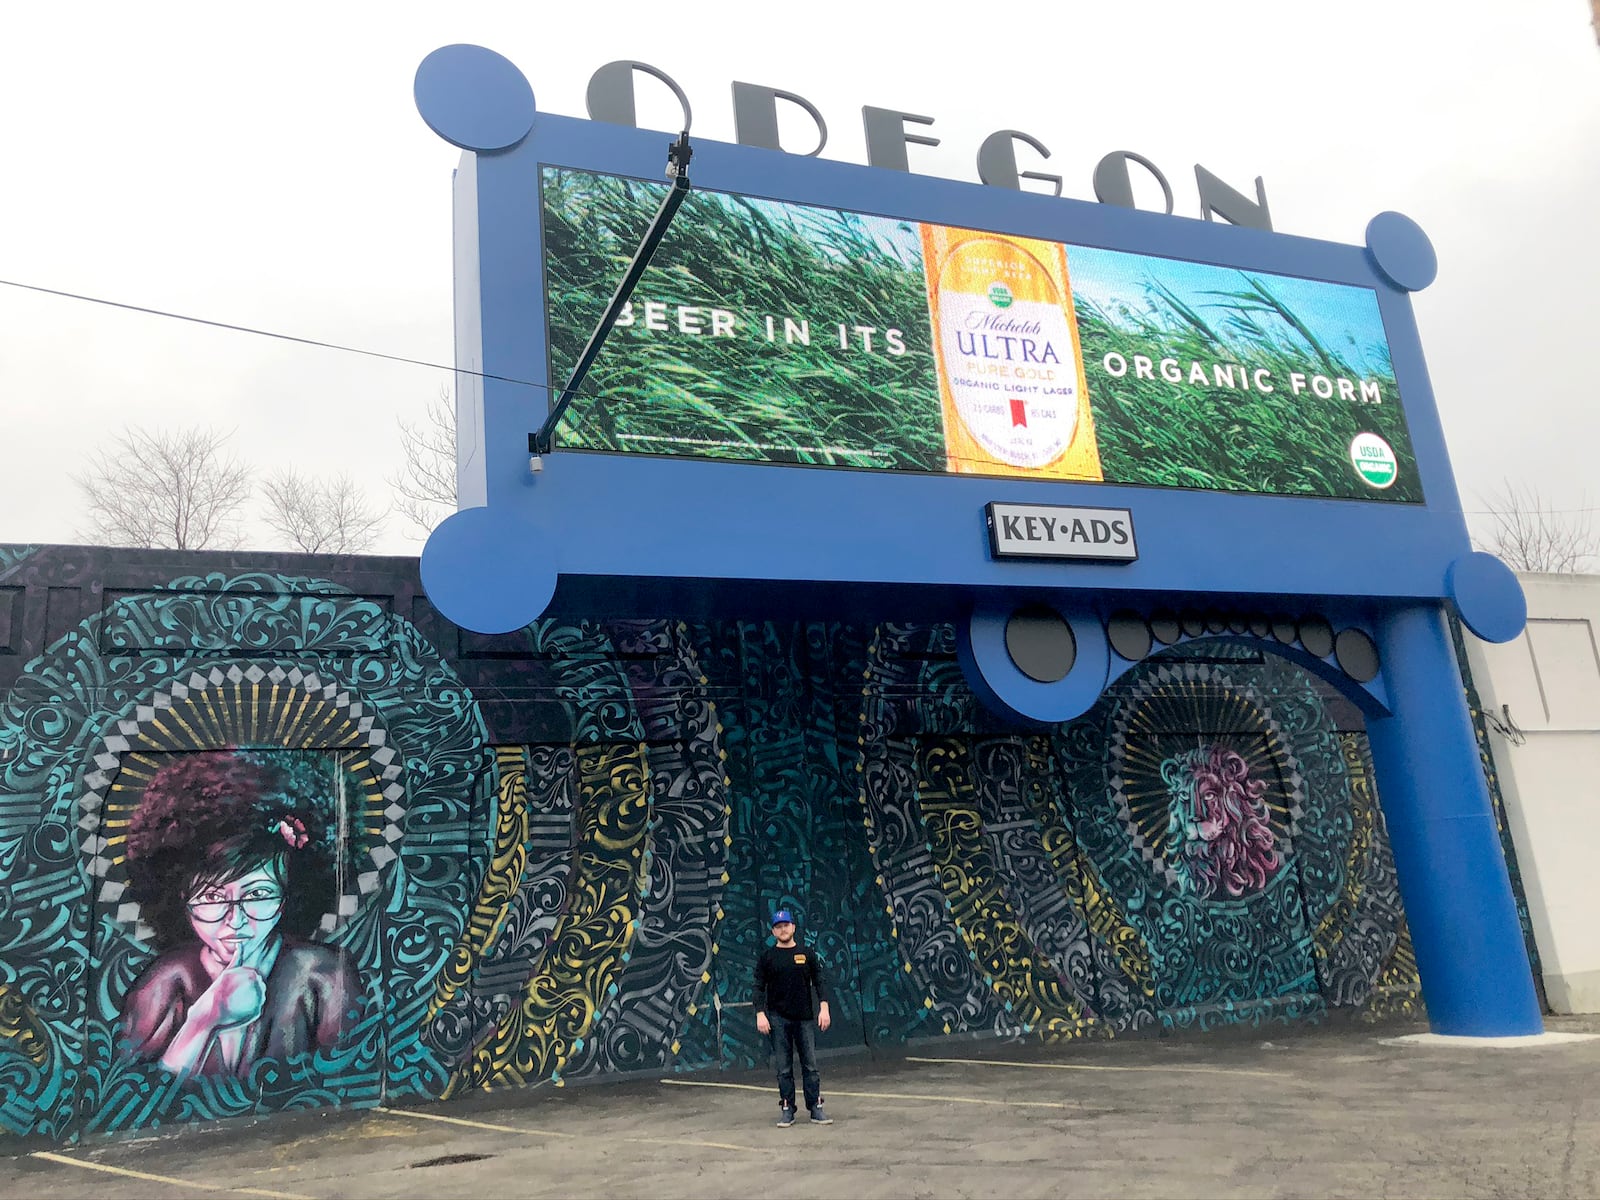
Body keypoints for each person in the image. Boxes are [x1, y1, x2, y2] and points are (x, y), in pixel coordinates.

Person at [119, 751, 360, 1080]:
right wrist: (205, 1018)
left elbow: (344, 1082)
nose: (236, 920)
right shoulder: (164, 981)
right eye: (213, 896)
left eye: (258, 894)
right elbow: (141, 1097)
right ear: (181, 898)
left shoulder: (326, 976)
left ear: (289, 895)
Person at [753, 908, 833, 1127]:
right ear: (773, 931)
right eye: (778, 927)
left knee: (810, 1065)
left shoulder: (807, 954)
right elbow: (758, 987)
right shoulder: (768, 957)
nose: (783, 929)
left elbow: (820, 982)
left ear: (793, 927)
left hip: (805, 1018)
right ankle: (787, 1107)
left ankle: (815, 1107)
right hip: (778, 1019)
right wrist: (760, 1013)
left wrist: (824, 1008)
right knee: (784, 1068)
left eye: (786, 925)